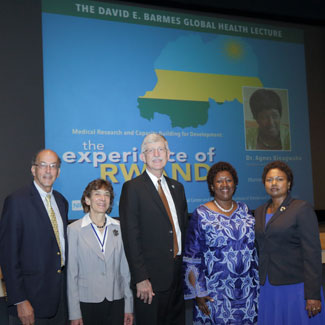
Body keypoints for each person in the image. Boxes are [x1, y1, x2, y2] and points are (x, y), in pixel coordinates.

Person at [119, 133, 188, 325]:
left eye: (161, 149)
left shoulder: (178, 187)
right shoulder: (132, 188)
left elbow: (181, 229)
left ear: (168, 154)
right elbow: (131, 237)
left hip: (176, 277)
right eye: (151, 150)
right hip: (150, 282)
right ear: (143, 157)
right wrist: (141, 278)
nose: (157, 154)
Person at [183, 161, 259, 324]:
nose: (225, 184)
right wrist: (198, 291)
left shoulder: (245, 210)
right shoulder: (201, 214)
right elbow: (191, 257)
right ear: (212, 186)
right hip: (215, 293)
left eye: (229, 180)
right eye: (219, 181)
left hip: (247, 291)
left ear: (235, 184)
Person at [0, 149, 69, 325]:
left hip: (59, 298)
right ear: (33, 169)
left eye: (53, 166)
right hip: (29, 301)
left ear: (59, 172)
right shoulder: (16, 201)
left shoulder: (61, 202)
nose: (48, 171)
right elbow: (8, 255)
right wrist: (20, 300)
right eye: (43, 165)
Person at [255, 160, 325, 324]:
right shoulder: (259, 211)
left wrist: (313, 294)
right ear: (264, 183)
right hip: (268, 287)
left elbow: (312, 253)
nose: (274, 183)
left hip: (295, 287)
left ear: (289, 183)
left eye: (279, 179)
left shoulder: (301, 208)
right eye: (269, 180)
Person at [67, 179, 133, 325]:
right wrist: (74, 313)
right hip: (87, 302)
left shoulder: (119, 228)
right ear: (87, 200)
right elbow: (72, 275)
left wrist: (129, 307)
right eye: (97, 194)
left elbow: (125, 271)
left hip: (116, 300)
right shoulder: (74, 230)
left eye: (107, 194)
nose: (103, 198)